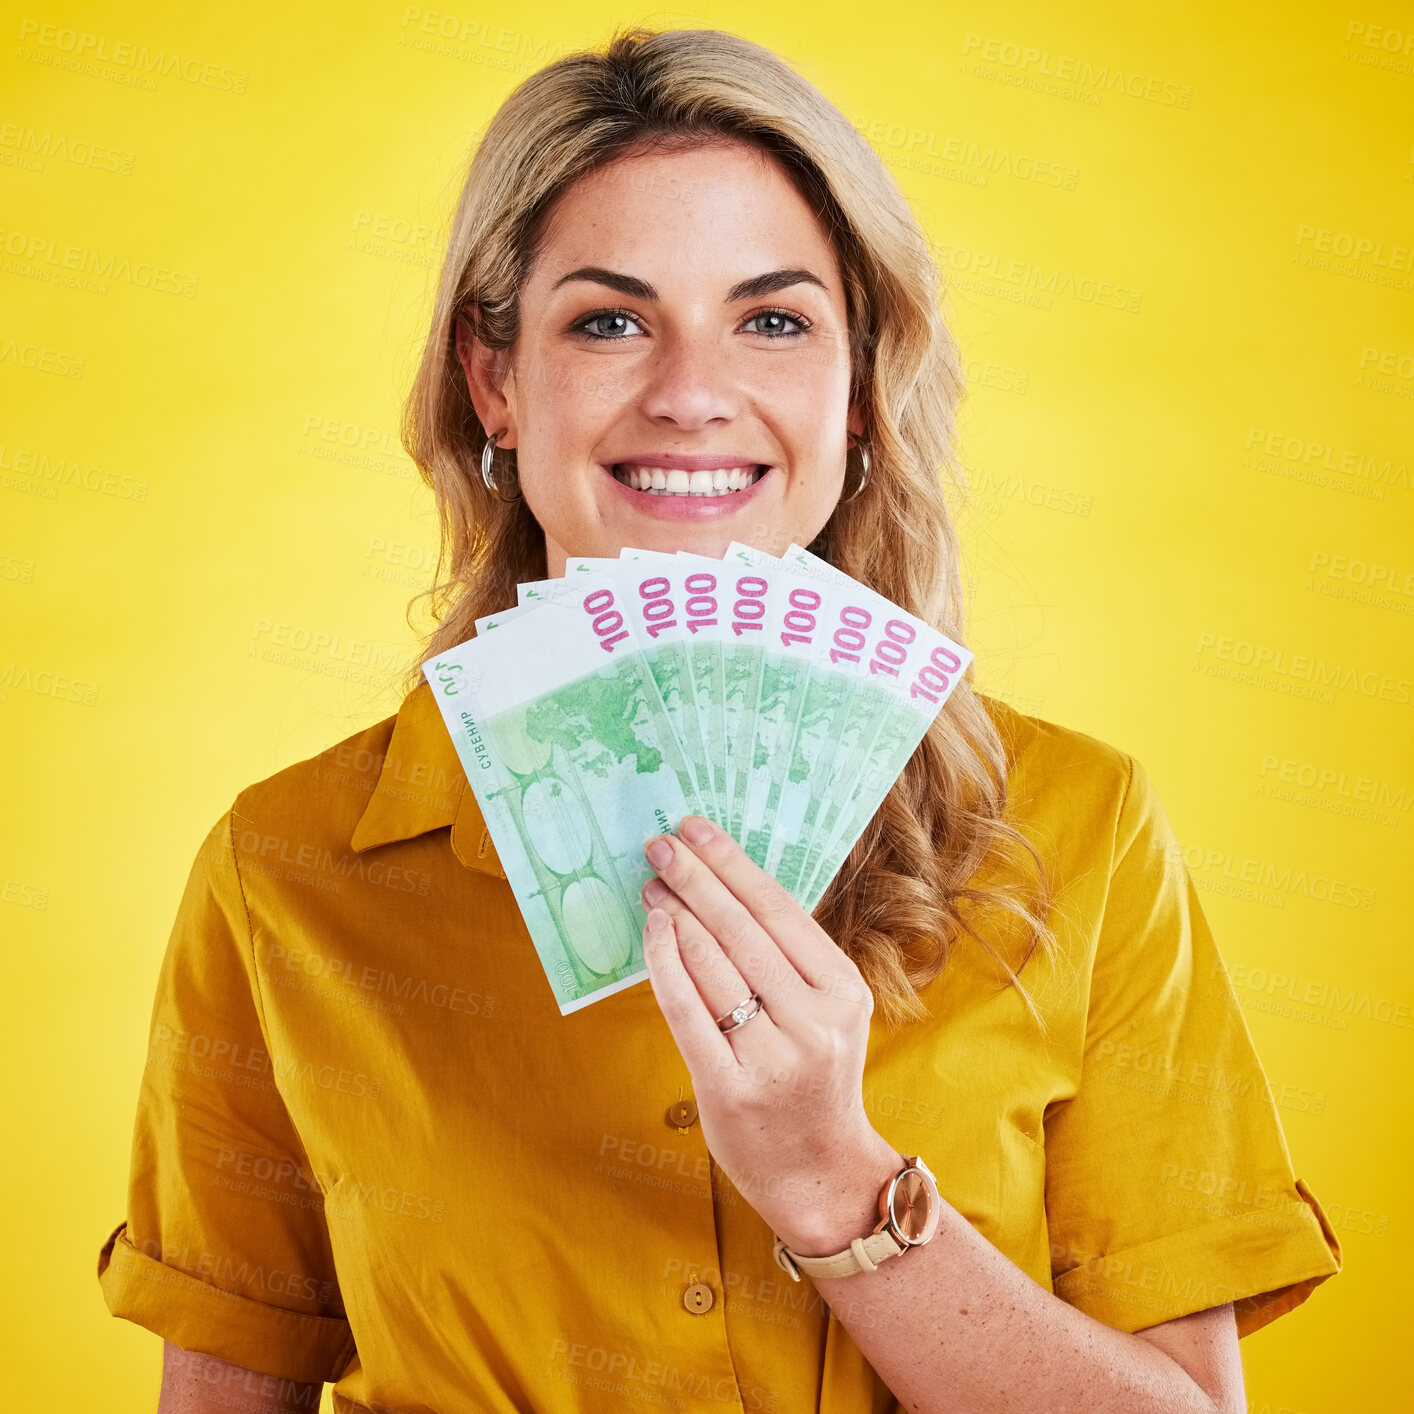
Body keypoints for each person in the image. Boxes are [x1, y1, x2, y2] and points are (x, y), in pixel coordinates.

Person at [98, 25, 1341, 1414]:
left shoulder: (1078, 829)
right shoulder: (287, 871)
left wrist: (832, 1177)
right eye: (609, 319)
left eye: (771, 319)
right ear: (494, 380)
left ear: (859, 385)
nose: (692, 394)